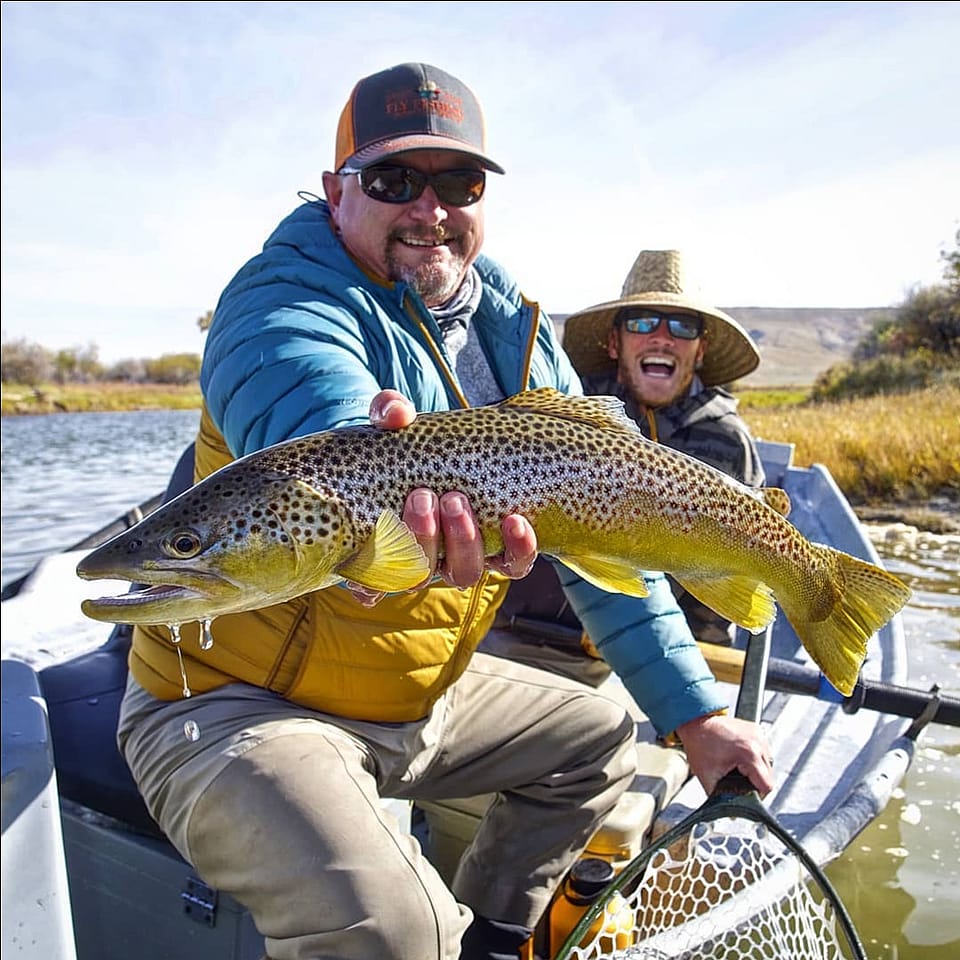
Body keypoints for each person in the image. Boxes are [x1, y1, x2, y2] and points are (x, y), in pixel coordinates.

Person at [115, 63, 773, 960]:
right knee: (400, 931)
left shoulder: (522, 342)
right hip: (232, 705)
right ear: (335, 191)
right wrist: (372, 458)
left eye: (457, 183)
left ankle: (496, 939)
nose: (429, 209)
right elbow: (305, 405)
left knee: (602, 741)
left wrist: (696, 716)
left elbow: (609, 568)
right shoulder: (277, 300)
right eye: (393, 181)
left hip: (413, 698)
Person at [564, 248, 765, 645]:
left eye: (682, 326)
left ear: (701, 349)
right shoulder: (571, 414)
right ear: (613, 343)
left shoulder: (727, 444)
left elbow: (722, 601)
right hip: (557, 635)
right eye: (641, 322)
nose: (662, 337)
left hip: (665, 646)